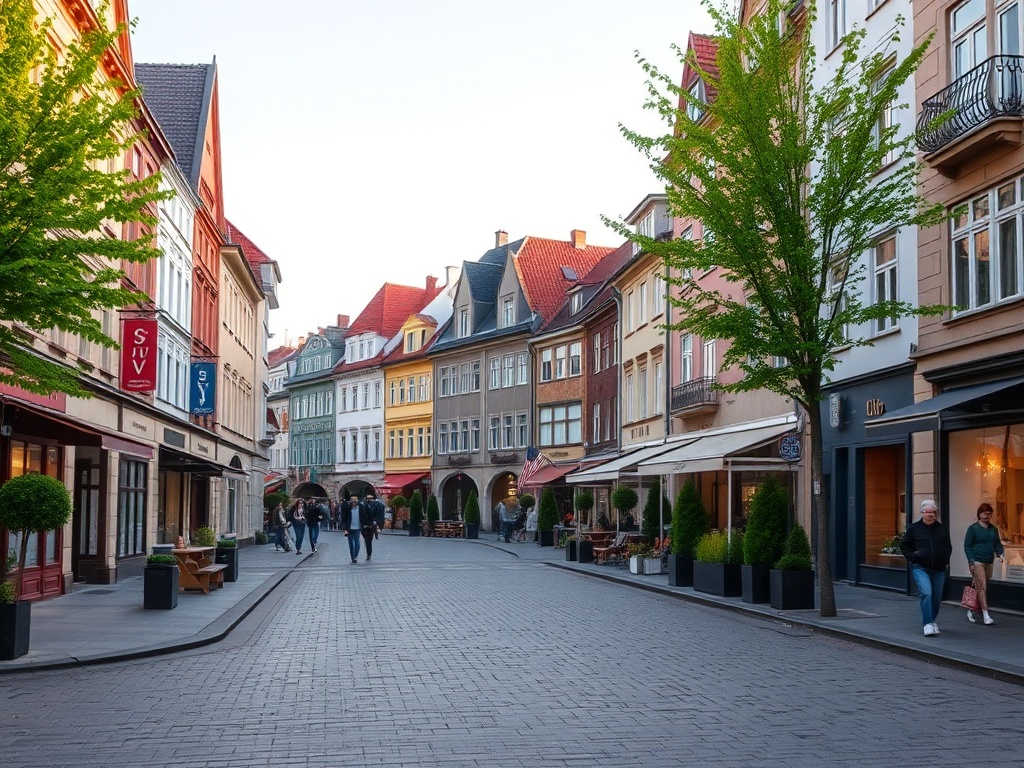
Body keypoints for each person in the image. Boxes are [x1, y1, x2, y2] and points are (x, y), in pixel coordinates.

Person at [900, 499, 953, 637]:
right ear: (922, 512)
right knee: (926, 593)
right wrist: (912, 557)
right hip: (920, 567)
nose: (932, 515)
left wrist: (946, 561)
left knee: (936, 597)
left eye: (934, 512)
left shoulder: (942, 529)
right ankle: (928, 623)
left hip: (939, 568)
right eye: (929, 512)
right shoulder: (913, 528)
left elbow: (948, 547)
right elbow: (904, 545)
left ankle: (932, 620)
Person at [964, 501, 1006, 625]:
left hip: (989, 561)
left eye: (989, 514)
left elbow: (997, 544)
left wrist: (1000, 554)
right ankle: (986, 614)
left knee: (983, 587)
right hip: (977, 561)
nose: (987, 516)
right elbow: (967, 546)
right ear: (979, 514)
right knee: (982, 586)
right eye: (985, 513)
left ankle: (971, 608)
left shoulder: (993, 529)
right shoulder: (973, 528)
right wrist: (971, 560)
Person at [343, 495, 372, 563]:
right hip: (349, 528)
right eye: (352, 502)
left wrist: (368, 524)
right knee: (350, 543)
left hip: (357, 527)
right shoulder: (348, 508)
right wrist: (344, 527)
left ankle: (355, 556)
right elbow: (344, 517)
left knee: (357, 542)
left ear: (357, 502)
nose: (353, 503)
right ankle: (352, 557)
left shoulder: (361, 507)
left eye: (354, 502)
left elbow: (364, 516)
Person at [361, 494, 381, 559]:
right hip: (367, 525)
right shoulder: (365, 506)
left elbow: (376, 515)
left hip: (369, 525)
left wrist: (374, 522)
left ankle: (369, 553)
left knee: (369, 540)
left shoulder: (375, 506)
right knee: (368, 539)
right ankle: (369, 553)